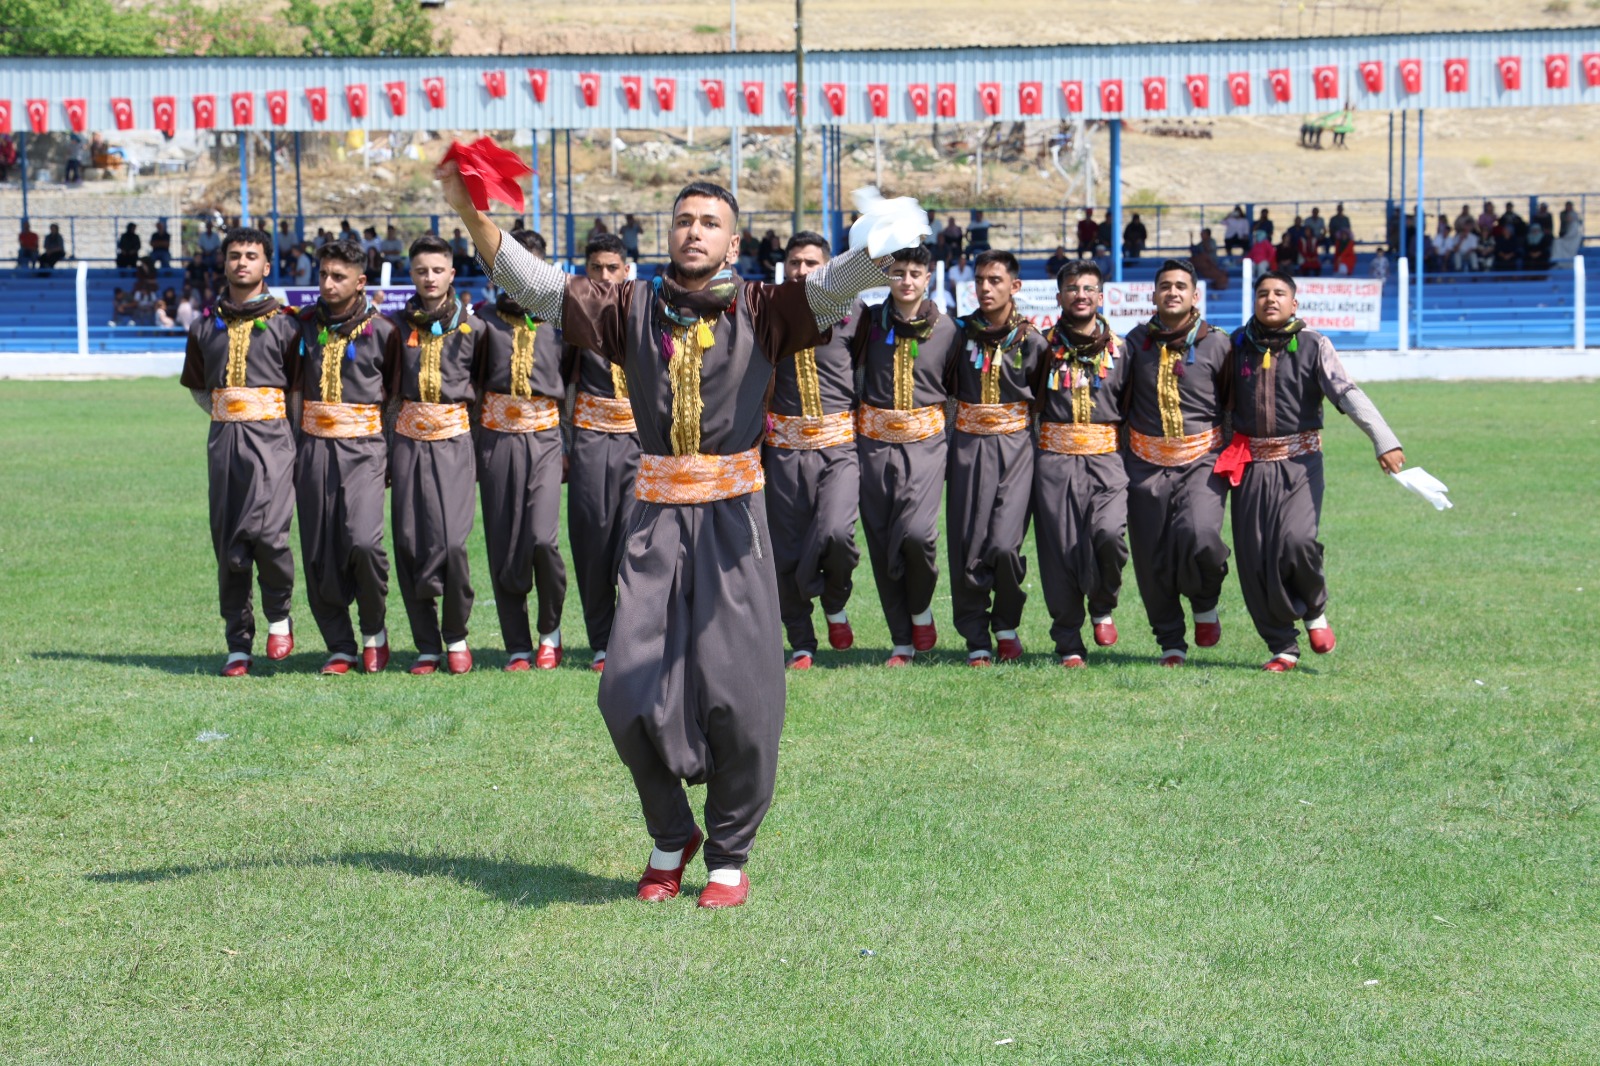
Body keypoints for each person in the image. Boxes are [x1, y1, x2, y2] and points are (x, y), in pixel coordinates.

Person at [455, 171, 916, 908]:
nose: (694, 231)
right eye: (683, 220)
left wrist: (882, 245)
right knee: (626, 690)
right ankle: (672, 831)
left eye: (710, 222)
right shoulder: (627, 306)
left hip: (736, 518)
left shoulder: (767, 307)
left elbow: (835, 288)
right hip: (655, 514)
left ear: (734, 241)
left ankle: (728, 850)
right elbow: (539, 286)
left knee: (742, 695)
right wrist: (471, 215)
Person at [1216, 270, 1405, 671]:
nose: (1270, 299)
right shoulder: (1235, 345)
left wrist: (1383, 439)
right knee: (1254, 558)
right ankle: (1282, 645)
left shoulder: (1314, 345)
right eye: (1263, 293)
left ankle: (1315, 610)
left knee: (1297, 541)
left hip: (1300, 463)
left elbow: (1346, 392)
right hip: (1249, 466)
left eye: (1279, 293)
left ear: (1294, 303)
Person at [177, 227, 302, 677]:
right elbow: (197, 388)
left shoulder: (289, 323)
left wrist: (278, 428)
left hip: (274, 440)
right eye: (234, 255)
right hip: (224, 442)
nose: (242, 262)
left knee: (269, 536)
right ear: (224, 263)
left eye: (251, 255)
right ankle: (237, 643)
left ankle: (280, 615)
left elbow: (299, 389)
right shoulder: (204, 325)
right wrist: (230, 411)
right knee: (229, 546)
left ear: (267, 266)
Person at [292, 238, 401, 675]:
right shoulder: (300, 326)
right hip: (312, 448)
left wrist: (391, 454)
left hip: (366, 450)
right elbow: (293, 389)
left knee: (363, 541)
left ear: (360, 282)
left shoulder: (386, 332)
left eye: (338, 277)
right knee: (319, 550)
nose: (328, 284)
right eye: (322, 275)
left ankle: (374, 630)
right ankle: (339, 645)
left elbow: (394, 400)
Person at [854, 244, 963, 667]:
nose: (906, 281)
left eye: (915, 273)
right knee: (882, 542)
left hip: (927, 445)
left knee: (918, 536)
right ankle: (902, 639)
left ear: (928, 278)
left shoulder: (949, 331)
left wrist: (951, 446)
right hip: (872, 445)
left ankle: (920, 609)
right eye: (898, 272)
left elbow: (955, 394)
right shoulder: (867, 323)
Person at [470, 228, 572, 671]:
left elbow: (573, 383)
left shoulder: (563, 322)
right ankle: (517, 643)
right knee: (504, 542)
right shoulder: (479, 321)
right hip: (495, 440)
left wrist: (569, 443)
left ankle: (550, 631)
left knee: (541, 540)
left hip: (547, 438)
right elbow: (469, 387)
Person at [1122, 259, 1232, 667]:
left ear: (1194, 295)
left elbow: (1233, 403)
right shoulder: (1133, 345)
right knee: (1152, 558)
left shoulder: (1218, 343)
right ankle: (1170, 640)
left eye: (1181, 286)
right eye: (1165, 286)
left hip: (1203, 460)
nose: (1173, 292)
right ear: (1153, 295)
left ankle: (1205, 602)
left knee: (1201, 535)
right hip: (1144, 464)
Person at [762, 231, 862, 670]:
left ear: (827, 267)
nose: (802, 271)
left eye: (811, 263)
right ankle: (801, 640)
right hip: (782, 450)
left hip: (838, 448)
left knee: (836, 534)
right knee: (784, 551)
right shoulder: (764, 313)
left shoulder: (855, 315)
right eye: (795, 263)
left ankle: (835, 602)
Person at [389, 234, 488, 675]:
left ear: (451, 273)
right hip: (407, 443)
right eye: (421, 271)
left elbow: (485, 392)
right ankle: (426, 644)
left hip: (455, 443)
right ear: (412, 275)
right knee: (409, 542)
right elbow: (388, 393)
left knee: (451, 543)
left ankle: (457, 635)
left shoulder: (475, 327)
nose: (429, 278)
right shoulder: (394, 327)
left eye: (437, 269)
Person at [947, 250, 1045, 666]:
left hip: (1018, 450)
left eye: (995, 281)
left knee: (1005, 545)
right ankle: (977, 637)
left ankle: (1006, 622)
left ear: (1014, 286)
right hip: (968, 447)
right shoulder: (956, 336)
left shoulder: (1034, 341)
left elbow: (1043, 400)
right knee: (968, 545)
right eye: (981, 281)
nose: (986, 288)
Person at [1031, 260, 1128, 667]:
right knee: (1060, 552)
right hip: (1053, 460)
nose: (1081, 295)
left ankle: (1102, 604)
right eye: (1072, 288)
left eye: (1089, 288)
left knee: (1109, 536)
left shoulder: (1123, 350)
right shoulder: (1038, 347)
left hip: (1107, 460)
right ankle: (1068, 639)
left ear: (1101, 297)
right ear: (1059, 297)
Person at [564, 233, 641, 673]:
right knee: (592, 534)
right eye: (597, 268)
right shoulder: (574, 319)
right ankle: (600, 640)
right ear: (586, 271)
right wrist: (562, 442)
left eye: (613, 268)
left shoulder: (648, 313)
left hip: (639, 440)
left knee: (637, 540)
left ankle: (631, 635)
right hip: (591, 437)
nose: (606, 276)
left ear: (626, 270)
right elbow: (555, 384)